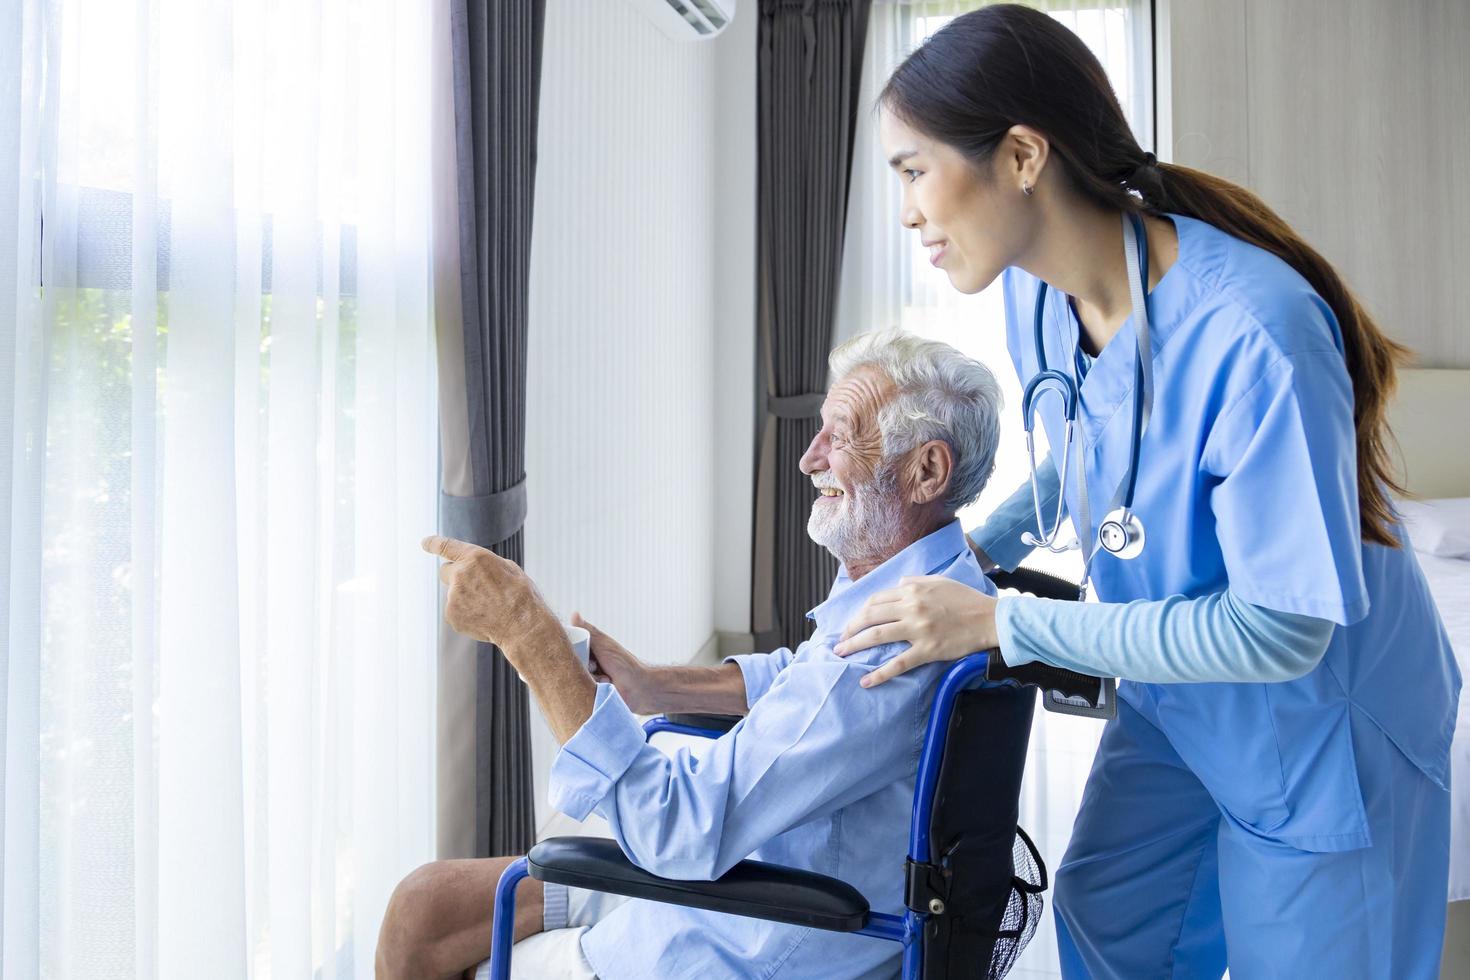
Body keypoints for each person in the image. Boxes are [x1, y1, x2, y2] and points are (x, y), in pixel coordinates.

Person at [831, 6, 1460, 978]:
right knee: (1108, 917)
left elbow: (1284, 629)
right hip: (1178, 695)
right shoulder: (1037, 291)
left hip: (1320, 721)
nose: (907, 209)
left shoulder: (1258, 332)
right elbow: (1096, 439)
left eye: (915, 170)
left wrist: (1004, 620)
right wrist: (978, 545)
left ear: (1022, 155)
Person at [376, 330, 1005, 980]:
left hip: (736, 931)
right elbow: (801, 677)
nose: (808, 458)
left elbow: (675, 832)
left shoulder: (891, 643)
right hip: (743, 869)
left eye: (839, 436)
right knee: (423, 906)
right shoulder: (943, 588)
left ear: (926, 471)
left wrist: (528, 638)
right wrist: (654, 686)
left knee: (422, 930)